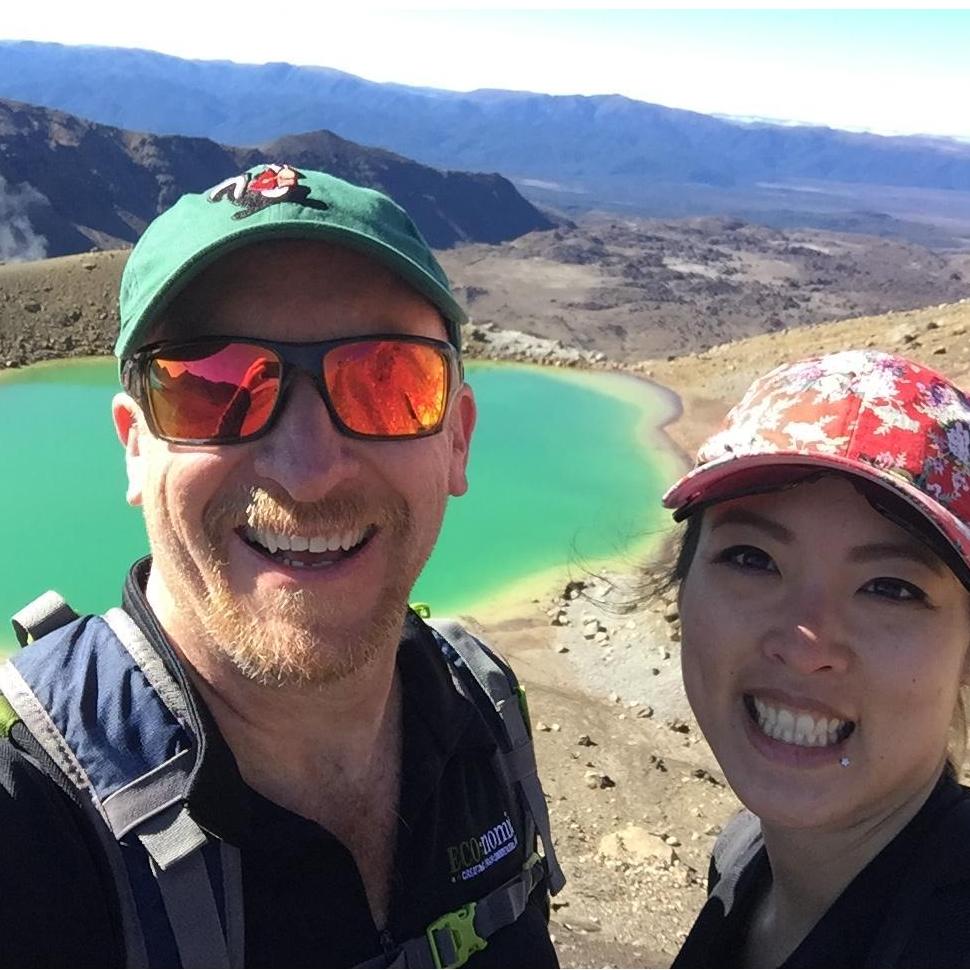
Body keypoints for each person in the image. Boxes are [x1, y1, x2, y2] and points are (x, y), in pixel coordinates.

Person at [0, 164, 563, 967]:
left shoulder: (483, 711)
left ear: (457, 440)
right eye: (214, 388)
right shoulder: (28, 820)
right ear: (133, 444)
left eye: (385, 383)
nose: (306, 472)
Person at [662, 350, 970, 967]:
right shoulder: (745, 858)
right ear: (681, 588)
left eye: (891, 587)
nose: (804, 649)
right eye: (752, 558)